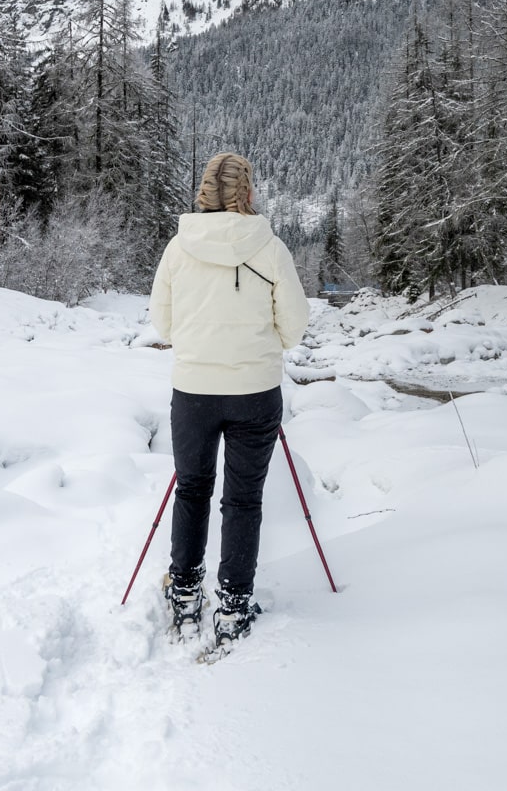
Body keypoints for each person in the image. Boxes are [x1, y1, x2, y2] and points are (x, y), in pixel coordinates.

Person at [149, 152, 309, 646]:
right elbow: (295, 326)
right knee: (243, 499)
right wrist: (261, 345)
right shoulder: (270, 248)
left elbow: (163, 324)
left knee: (192, 490)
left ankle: (184, 591)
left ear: (204, 192)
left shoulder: (179, 248)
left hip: (194, 391)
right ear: (248, 192)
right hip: (255, 392)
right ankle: (234, 606)